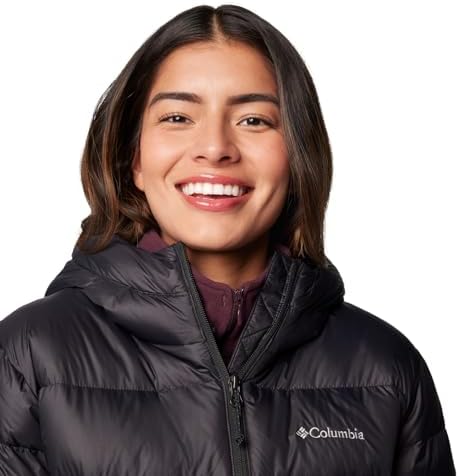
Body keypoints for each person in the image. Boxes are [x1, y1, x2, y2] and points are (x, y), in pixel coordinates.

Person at [0, 4, 455, 475]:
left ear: (297, 156)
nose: (215, 148)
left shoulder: (385, 368)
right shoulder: (28, 355)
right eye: (178, 117)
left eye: (254, 120)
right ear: (134, 159)